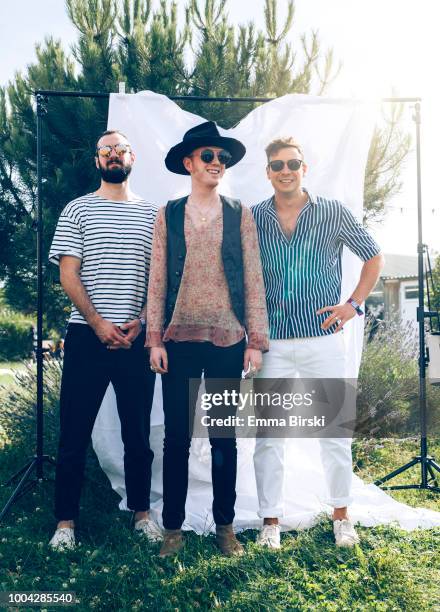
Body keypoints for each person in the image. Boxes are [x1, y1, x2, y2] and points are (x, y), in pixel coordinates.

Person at [251, 137, 384, 549]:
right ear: (268, 172)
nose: (285, 170)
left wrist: (353, 305)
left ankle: (342, 517)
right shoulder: (253, 217)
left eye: (293, 163)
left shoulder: (332, 212)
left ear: (304, 168)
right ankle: (270, 521)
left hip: (323, 339)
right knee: (270, 438)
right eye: (277, 165)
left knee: (333, 433)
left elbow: (373, 255)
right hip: (271, 342)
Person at [146, 121, 269, 557]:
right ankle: (173, 528)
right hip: (178, 340)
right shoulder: (169, 213)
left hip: (228, 339)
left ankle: (225, 526)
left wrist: (256, 339)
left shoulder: (240, 212)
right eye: (208, 157)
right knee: (176, 437)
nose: (217, 163)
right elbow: (156, 279)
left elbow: (253, 278)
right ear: (189, 163)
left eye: (222, 158)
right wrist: (154, 339)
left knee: (222, 438)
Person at [47, 130, 161, 550]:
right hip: (86, 336)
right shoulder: (77, 210)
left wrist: (144, 320)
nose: (114, 155)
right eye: (106, 150)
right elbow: (67, 273)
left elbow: (161, 277)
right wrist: (96, 323)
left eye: (121, 149)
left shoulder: (153, 214)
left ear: (134, 156)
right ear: (97, 160)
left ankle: (142, 515)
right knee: (73, 433)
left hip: (135, 338)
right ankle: (65, 525)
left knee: (137, 435)